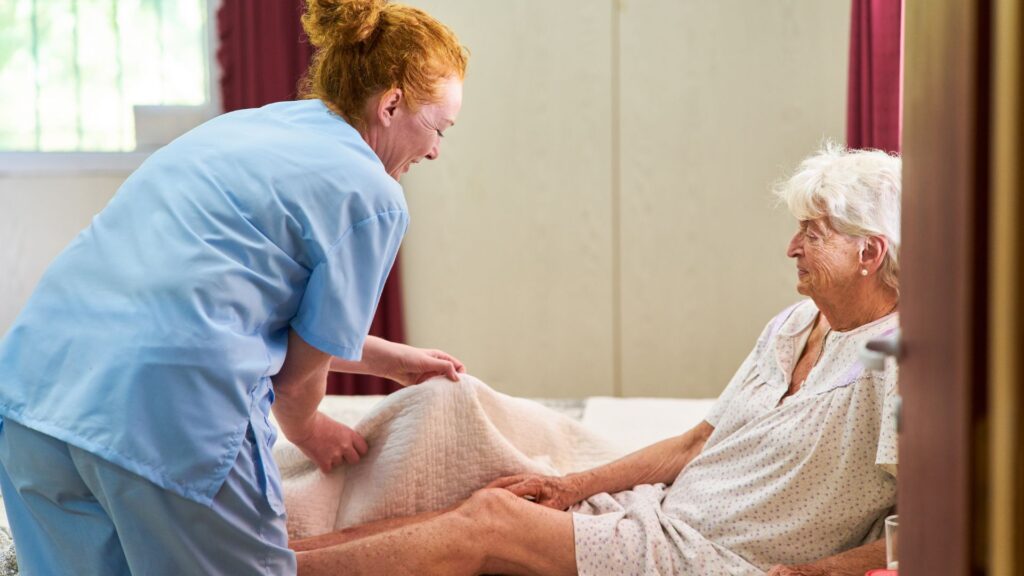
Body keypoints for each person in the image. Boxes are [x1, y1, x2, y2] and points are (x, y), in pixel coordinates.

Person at [0, 0, 468, 573]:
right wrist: (309, 429)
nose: (435, 150)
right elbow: (298, 382)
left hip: (37, 393)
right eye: (438, 128)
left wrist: (386, 359)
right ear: (391, 104)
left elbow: (222, 302)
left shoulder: (250, 126)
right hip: (164, 416)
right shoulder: (372, 194)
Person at [291, 144, 902, 576]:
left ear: (870, 253)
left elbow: (931, 528)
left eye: (814, 233)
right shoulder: (794, 324)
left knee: (491, 523)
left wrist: (822, 573)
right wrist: (571, 486)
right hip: (660, 515)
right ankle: (274, 559)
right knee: (491, 500)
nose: (792, 247)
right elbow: (695, 443)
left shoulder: (901, 362)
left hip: (710, 559)